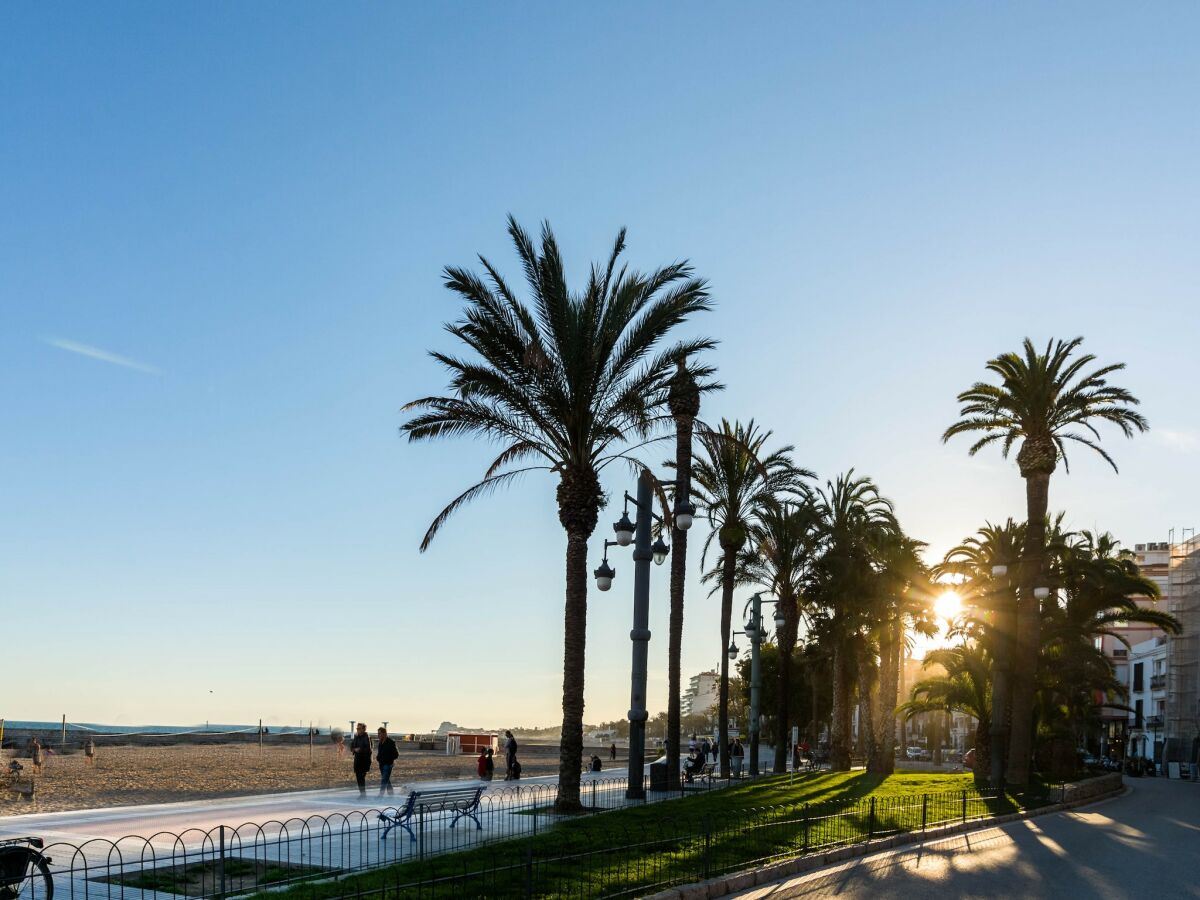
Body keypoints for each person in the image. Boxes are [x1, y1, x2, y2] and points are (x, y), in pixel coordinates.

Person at [350, 722, 372, 796]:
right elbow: (351, 746)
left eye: (359, 728)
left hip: (364, 760)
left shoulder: (367, 737)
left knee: (361, 777)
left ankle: (363, 794)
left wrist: (360, 750)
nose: (357, 730)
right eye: (357, 728)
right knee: (358, 777)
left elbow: (368, 749)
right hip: (357, 760)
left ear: (363, 729)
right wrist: (354, 749)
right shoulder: (356, 737)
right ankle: (362, 793)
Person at [376, 727, 398, 796]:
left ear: (384, 734)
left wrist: (390, 760)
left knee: (384, 780)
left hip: (388, 764)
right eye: (378, 733)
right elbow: (380, 753)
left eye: (379, 733)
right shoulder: (380, 742)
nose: (378, 735)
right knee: (386, 780)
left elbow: (396, 754)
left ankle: (380, 795)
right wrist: (378, 758)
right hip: (381, 764)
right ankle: (391, 794)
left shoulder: (390, 742)